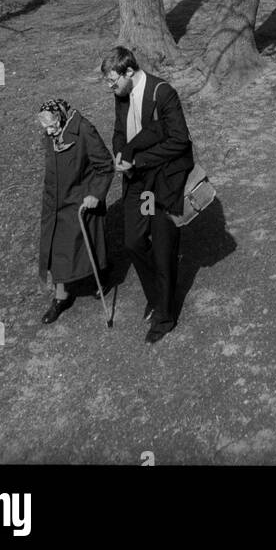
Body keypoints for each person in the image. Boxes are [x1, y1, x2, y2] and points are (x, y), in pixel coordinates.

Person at [101, 46, 194, 344]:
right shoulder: (122, 95)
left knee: (164, 248)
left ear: (129, 72)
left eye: (113, 81)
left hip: (163, 181)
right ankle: (157, 295)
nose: (111, 87)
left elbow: (180, 141)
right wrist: (119, 154)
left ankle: (166, 316)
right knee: (133, 241)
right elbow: (119, 131)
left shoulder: (163, 93)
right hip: (136, 181)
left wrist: (138, 161)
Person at [37, 98, 114, 324]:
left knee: (85, 245)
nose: (49, 132)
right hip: (54, 202)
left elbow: (105, 166)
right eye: (45, 127)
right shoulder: (51, 134)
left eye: (52, 126)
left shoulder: (83, 130)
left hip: (79, 201)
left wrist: (95, 195)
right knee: (54, 248)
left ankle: (101, 276)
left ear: (61, 117)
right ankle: (61, 297)